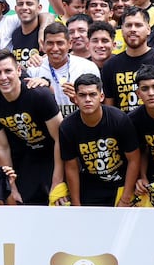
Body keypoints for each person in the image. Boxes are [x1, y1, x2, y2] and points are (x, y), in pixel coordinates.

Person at [0, 49, 63, 205]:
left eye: (8, 71)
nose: (3, 77)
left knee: (57, 201)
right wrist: (11, 186)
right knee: (23, 203)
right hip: (25, 158)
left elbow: (60, 139)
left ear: (19, 70)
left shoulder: (40, 95)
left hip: (53, 154)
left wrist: (57, 181)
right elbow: (2, 147)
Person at [59, 74, 140, 207]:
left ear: (101, 97)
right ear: (75, 98)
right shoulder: (67, 127)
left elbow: (134, 159)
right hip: (91, 185)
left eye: (92, 94)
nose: (87, 99)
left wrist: (126, 198)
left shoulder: (119, 119)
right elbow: (71, 167)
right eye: (82, 95)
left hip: (121, 181)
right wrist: (76, 204)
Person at [102, 6, 154, 113]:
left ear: (148, 29)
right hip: (125, 126)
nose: (133, 29)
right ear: (122, 29)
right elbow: (109, 109)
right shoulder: (110, 65)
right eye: (128, 25)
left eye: (138, 25)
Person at [26, 22, 100, 116]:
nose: (55, 48)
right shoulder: (34, 69)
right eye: (50, 43)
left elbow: (99, 104)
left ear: (69, 44)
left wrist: (79, 98)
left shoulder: (87, 67)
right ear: (43, 45)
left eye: (60, 43)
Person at [9, 0, 43, 70]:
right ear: (16, 8)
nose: (24, 7)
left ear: (39, 8)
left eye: (29, 4)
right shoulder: (14, 34)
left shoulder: (47, 33)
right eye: (20, 4)